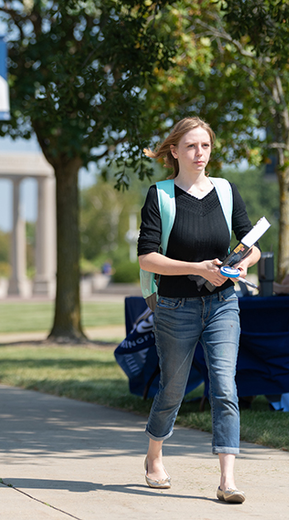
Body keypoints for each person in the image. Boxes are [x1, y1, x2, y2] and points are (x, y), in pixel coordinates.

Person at [137, 117, 261, 504]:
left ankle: (227, 480)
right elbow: (147, 259)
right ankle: (154, 456)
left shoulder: (225, 191)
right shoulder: (160, 196)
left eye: (205, 146)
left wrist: (243, 264)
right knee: (172, 389)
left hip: (223, 304)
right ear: (174, 151)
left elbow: (250, 244)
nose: (200, 154)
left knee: (225, 386)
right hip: (176, 307)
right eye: (191, 146)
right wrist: (196, 268)